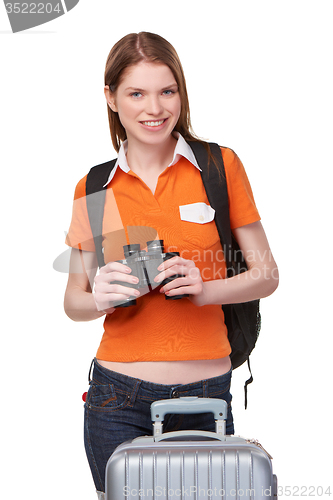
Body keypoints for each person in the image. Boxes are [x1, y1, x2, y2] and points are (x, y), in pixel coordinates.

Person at [64, 32, 279, 499]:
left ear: (181, 92)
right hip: (115, 398)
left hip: (207, 396)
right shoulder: (95, 187)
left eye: (167, 91)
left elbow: (267, 275)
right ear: (111, 99)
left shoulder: (218, 167)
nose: (154, 108)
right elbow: (73, 302)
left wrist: (206, 290)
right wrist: (97, 298)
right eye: (136, 93)